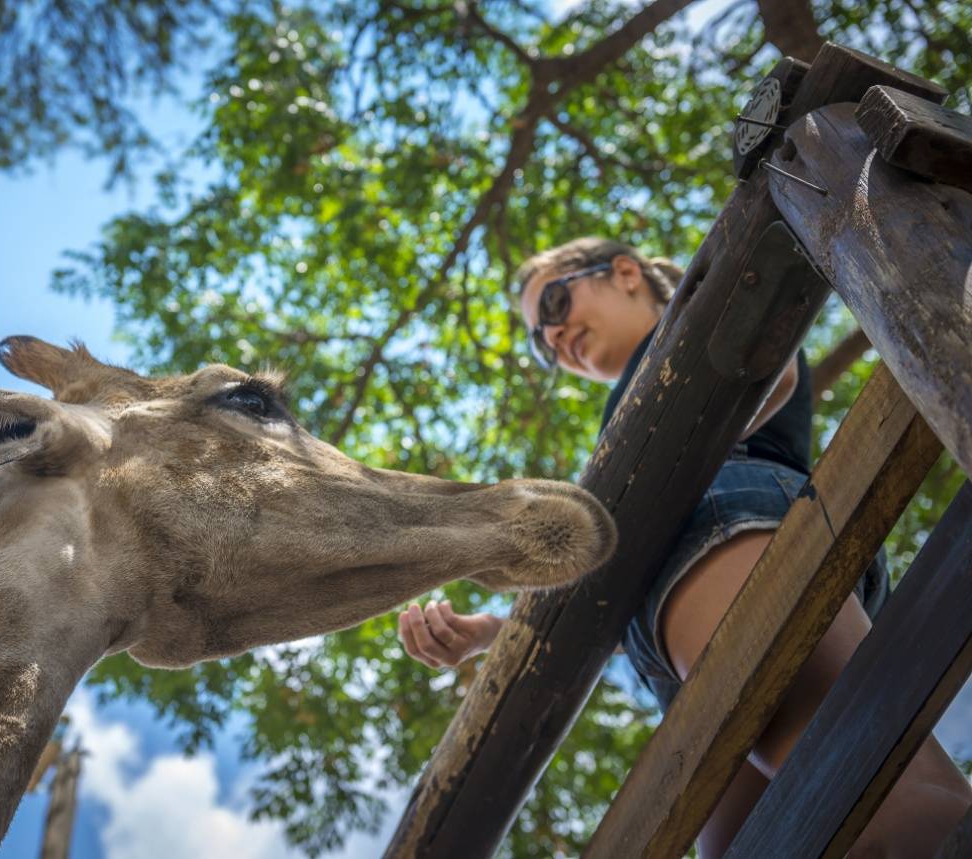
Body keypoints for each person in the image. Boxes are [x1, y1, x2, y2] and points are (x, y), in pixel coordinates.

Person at [396, 237, 972, 858]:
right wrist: (492, 632)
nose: (554, 337)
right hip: (666, 626)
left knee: (875, 803)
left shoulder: (696, 323)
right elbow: (615, 581)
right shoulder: (629, 417)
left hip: (730, 528)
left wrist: (676, 467)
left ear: (623, 273)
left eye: (557, 304)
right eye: (540, 340)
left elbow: (774, 369)